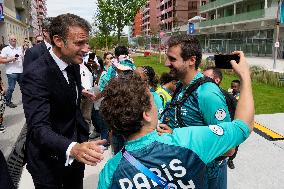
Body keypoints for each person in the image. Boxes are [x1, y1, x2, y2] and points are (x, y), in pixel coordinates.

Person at [98, 51, 254, 188]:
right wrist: (245, 77)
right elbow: (242, 127)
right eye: (151, 100)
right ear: (146, 114)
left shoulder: (109, 173)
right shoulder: (188, 141)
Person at [22, 13, 106, 189]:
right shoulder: (35, 75)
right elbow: (38, 128)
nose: (86, 49)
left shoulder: (73, 63)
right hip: (48, 161)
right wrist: (72, 148)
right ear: (58, 41)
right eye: (79, 43)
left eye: (86, 42)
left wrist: (78, 92)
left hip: (76, 153)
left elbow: (64, 92)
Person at [159, 34, 233, 189]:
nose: (166, 63)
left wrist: (176, 137)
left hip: (205, 176)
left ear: (192, 60)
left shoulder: (207, 94)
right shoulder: (181, 86)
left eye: (172, 59)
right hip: (185, 174)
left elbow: (228, 148)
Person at [0, 34, 23, 108]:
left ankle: (26, 100)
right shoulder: (5, 49)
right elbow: (1, 60)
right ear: (9, 40)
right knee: (11, 88)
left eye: (14, 39)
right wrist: (10, 59)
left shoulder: (19, 48)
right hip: (11, 72)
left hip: (21, 71)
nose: (13, 40)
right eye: (12, 39)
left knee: (24, 87)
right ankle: (8, 101)